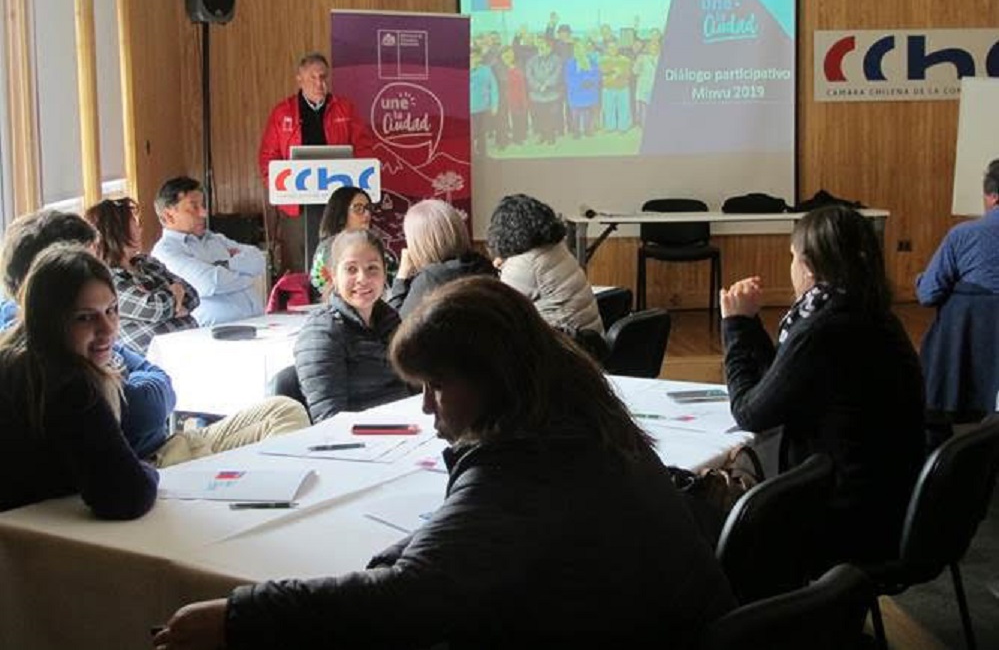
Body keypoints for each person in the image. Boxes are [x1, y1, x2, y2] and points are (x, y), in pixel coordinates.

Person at [153, 277, 735, 650]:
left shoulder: (525, 468)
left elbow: (408, 600)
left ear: (492, 379)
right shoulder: (583, 425)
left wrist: (241, 615)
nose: (427, 406)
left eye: (436, 385)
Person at [721, 205, 925, 568]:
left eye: (792, 257)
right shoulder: (874, 315)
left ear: (809, 267)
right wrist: (748, 324)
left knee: (714, 508)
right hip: (891, 505)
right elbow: (784, 381)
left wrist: (735, 326)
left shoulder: (822, 330)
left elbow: (749, 413)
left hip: (842, 518)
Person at [1, 209, 177, 460]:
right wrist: (142, 384)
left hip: (163, 446)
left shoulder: (87, 323)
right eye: (83, 264)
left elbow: (158, 378)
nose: (97, 273)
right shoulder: (40, 347)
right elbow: (142, 410)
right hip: (148, 461)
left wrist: (144, 383)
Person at [0, 245, 159, 518]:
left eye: (111, 310)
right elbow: (127, 497)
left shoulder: (14, 362)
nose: (108, 329)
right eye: (85, 318)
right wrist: (149, 469)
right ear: (50, 321)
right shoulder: (66, 384)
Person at [258, 52, 372, 273]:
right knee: (299, 262)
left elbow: (364, 149)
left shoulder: (345, 109)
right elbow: (267, 157)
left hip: (338, 201)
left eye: (323, 77)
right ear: (299, 79)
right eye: (313, 78)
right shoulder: (282, 113)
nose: (320, 83)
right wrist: (278, 189)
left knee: (342, 257)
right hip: (296, 204)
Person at [293, 229, 411, 422]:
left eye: (372, 268)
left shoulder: (391, 321)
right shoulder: (321, 333)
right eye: (351, 269)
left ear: (384, 273)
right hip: (358, 436)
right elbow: (330, 420)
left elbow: (415, 387)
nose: (363, 278)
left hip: (407, 426)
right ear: (333, 276)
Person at [85, 197, 199, 355]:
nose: (140, 229)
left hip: (193, 345)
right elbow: (156, 308)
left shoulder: (148, 263)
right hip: (158, 360)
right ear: (118, 231)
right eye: (135, 223)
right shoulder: (104, 280)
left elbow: (193, 296)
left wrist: (172, 301)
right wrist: (175, 294)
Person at [150, 176, 266, 326]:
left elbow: (259, 260)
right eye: (194, 207)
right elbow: (211, 283)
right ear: (169, 215)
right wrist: (248, 275)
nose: (204, 213)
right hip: (214, 333)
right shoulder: (165, 252)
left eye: (202, 205)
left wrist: (224, 265)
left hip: (258, 324)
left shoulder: (214, 239)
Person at [486, 193, 604, 337]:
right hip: (589, 342)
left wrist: (505, 268)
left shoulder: (524, 264)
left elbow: (502, 316)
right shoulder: (557, 247)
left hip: (563, 346)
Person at [387, 198, 495, 318]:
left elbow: (397, 323)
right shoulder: (484, 265)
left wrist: (402, 276)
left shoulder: (430, 279)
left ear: (421, 244)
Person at [916, 158, 999, 306]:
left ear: (994, 198)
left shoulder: (962, 235)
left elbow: (928, 294)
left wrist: (921, 280)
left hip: (974, 320)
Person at [309, 185, 395, 297]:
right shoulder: (330, 247)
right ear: (341, 212)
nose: (367, 214)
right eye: (358, 209)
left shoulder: (371, 243)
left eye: (368, 208)